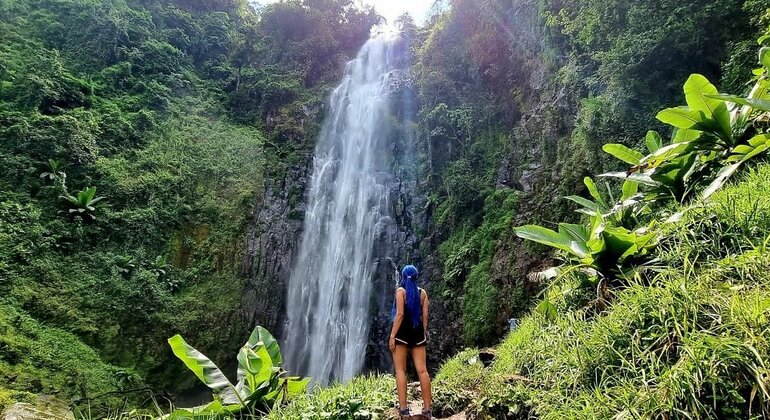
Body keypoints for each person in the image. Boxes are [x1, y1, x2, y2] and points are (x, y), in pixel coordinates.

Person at [389, 264, 432, 419]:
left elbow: (399, 314)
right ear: (416, 276)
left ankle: (404, 409)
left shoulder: (401, 291)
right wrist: (424, 332)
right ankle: (427, 409)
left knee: (401, 370)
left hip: (401, 333)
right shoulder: (423, 293)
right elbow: (425, 316)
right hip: (417, 332)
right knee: (422, 370)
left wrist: (392, 335)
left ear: (403, 276)